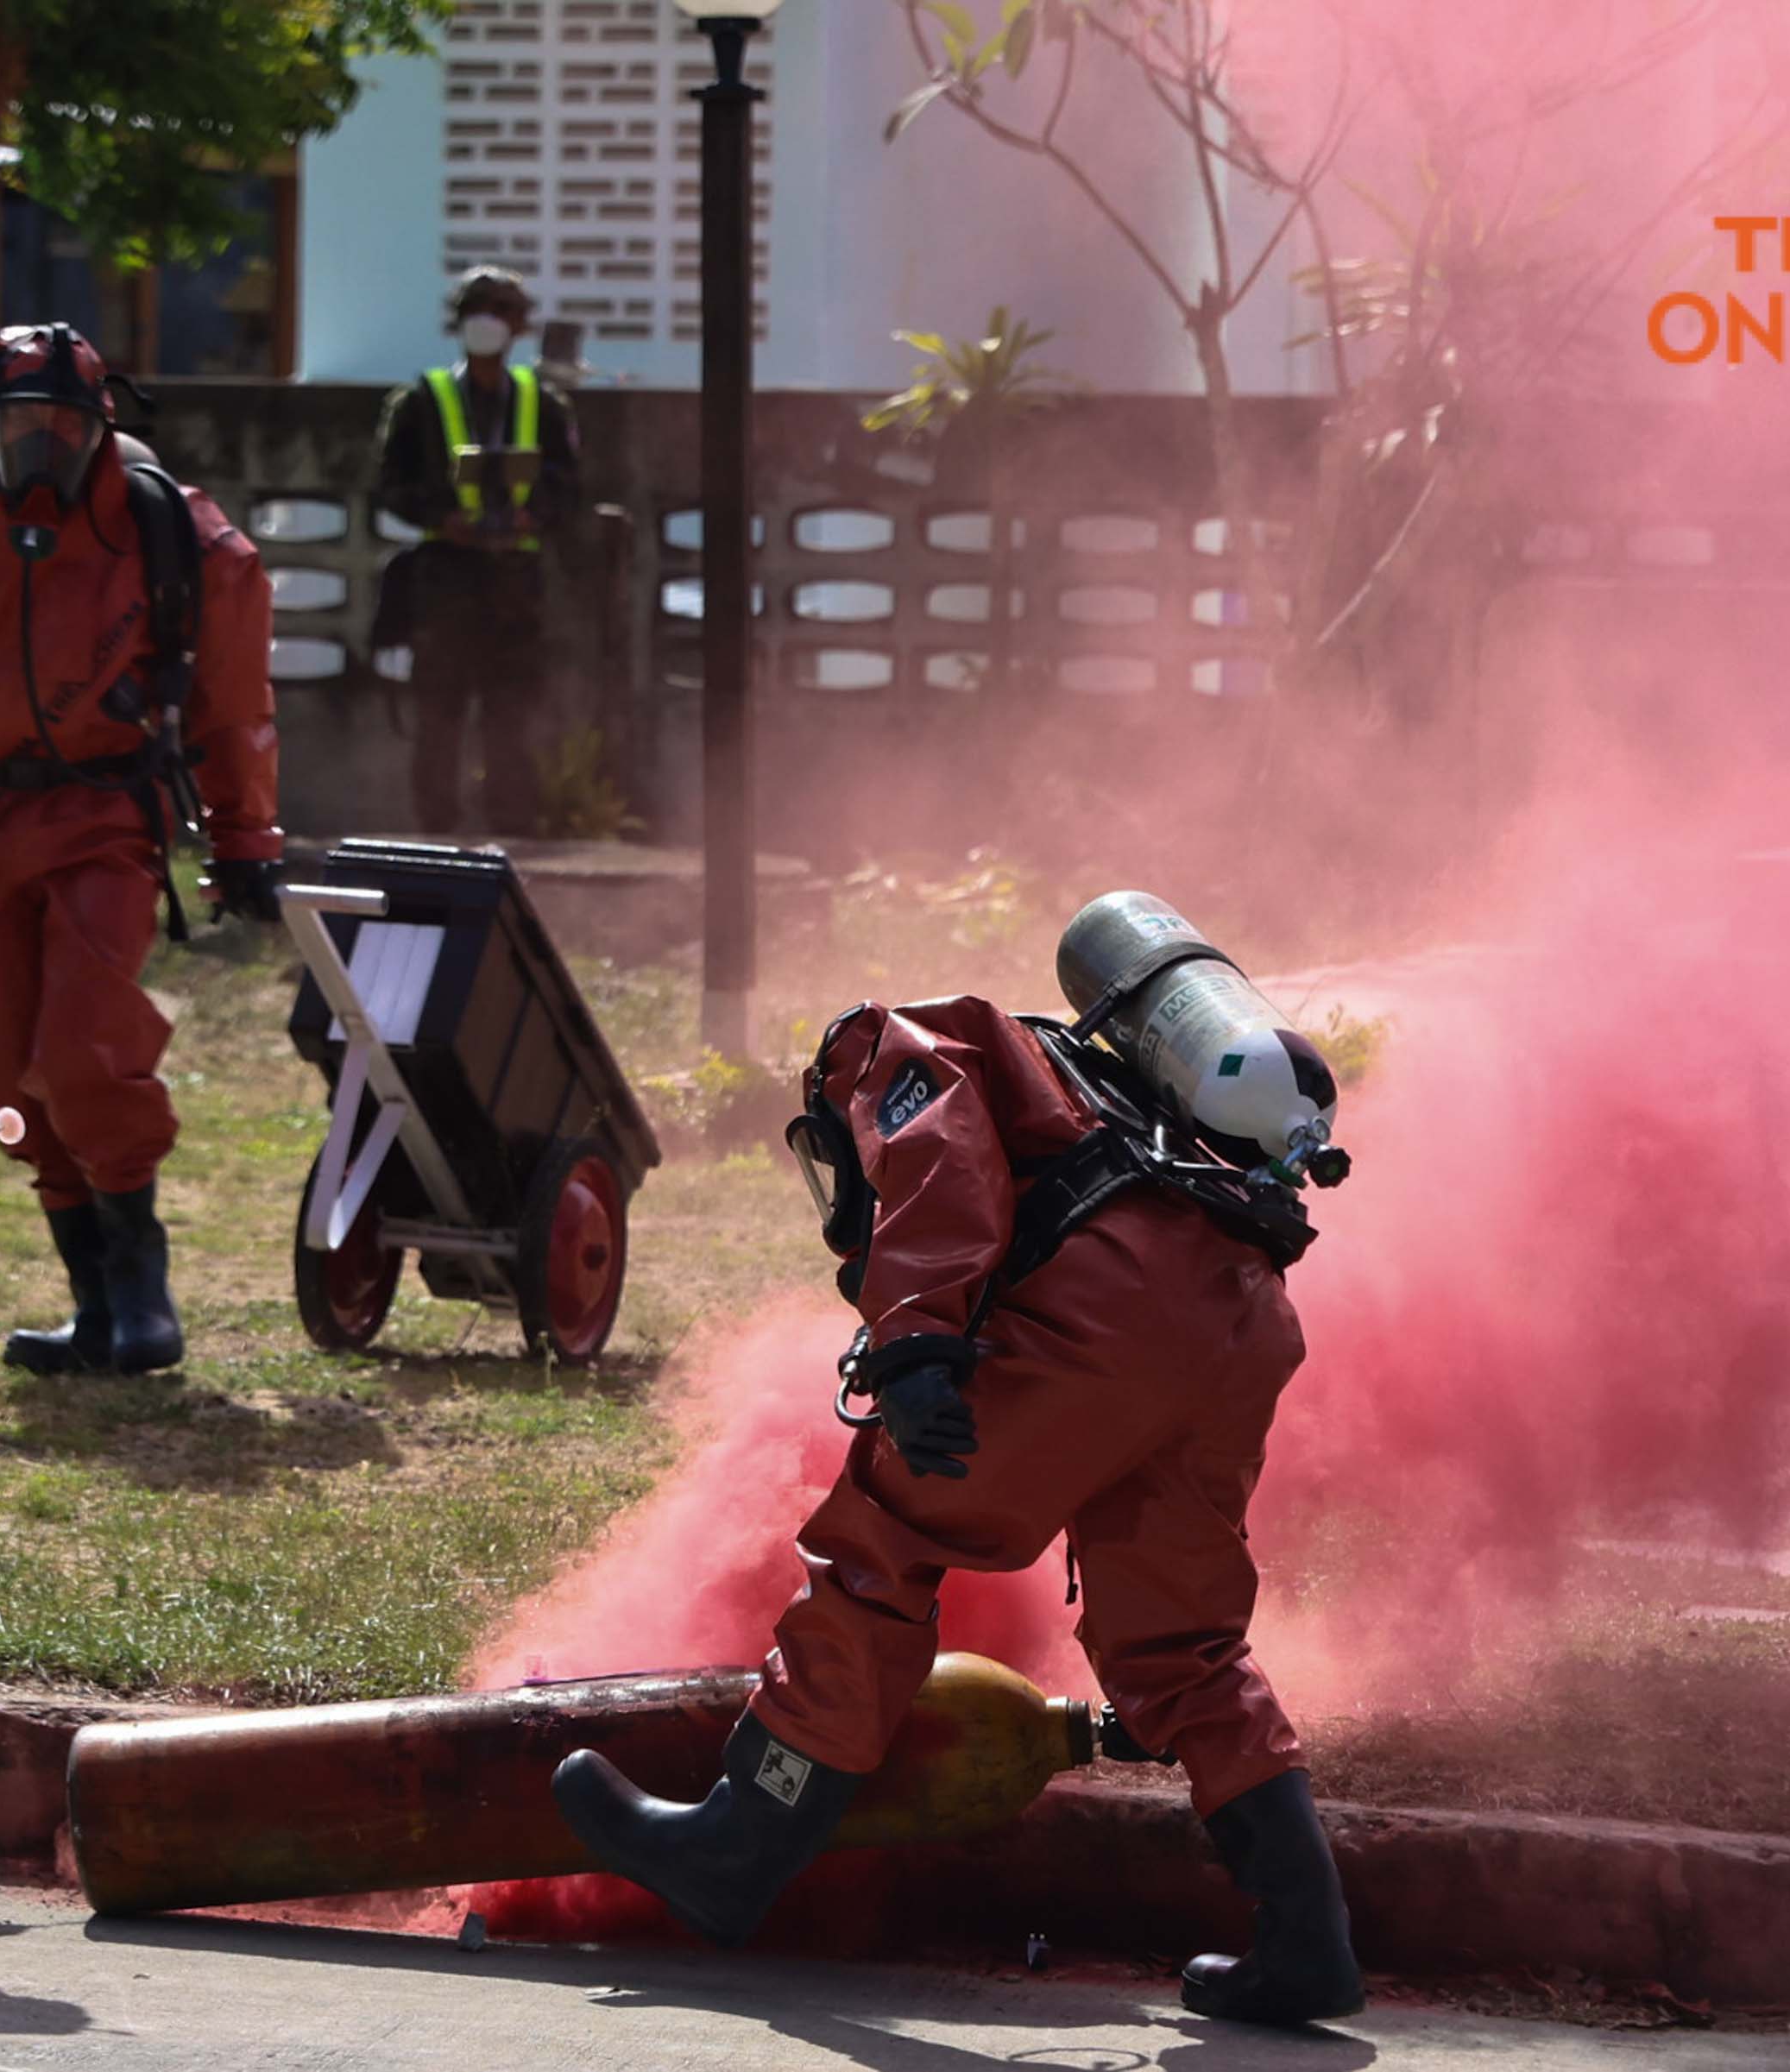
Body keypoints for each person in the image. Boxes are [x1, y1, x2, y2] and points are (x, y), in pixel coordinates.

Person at [550, 945, 1364, 2026]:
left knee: (884, 1540)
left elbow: (939, 1162)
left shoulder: (896, 1044)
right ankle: (1308, 1939)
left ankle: (738, 1845)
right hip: (1240, 1319)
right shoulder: (1105, 1088)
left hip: (1116, 1301)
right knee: (1185, 1646)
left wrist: (919, 1347)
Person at [0, 322, 282, 1377]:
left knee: (87, 1053)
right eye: (20, 422)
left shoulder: (166, 529)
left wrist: (246, 835)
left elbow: (235, 690)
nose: (40, 444)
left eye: (62, 424)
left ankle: (144, 1292)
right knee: (8, 1076)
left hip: (104, 821)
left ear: (99, 425)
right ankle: (96, 1303)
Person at [373, 267, 583, 834]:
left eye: (497, 311)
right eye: (475, 310)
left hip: (517, 582)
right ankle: (438, 831)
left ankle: (512, 834)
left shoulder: (545, 405)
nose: (486, 323)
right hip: (447, 580)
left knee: (510, 720)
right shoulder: (419, 402)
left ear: (517, 326)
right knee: (439, 719)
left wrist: (530, 514)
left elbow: (569, 485)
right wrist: (442, 516)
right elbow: (389, 483)